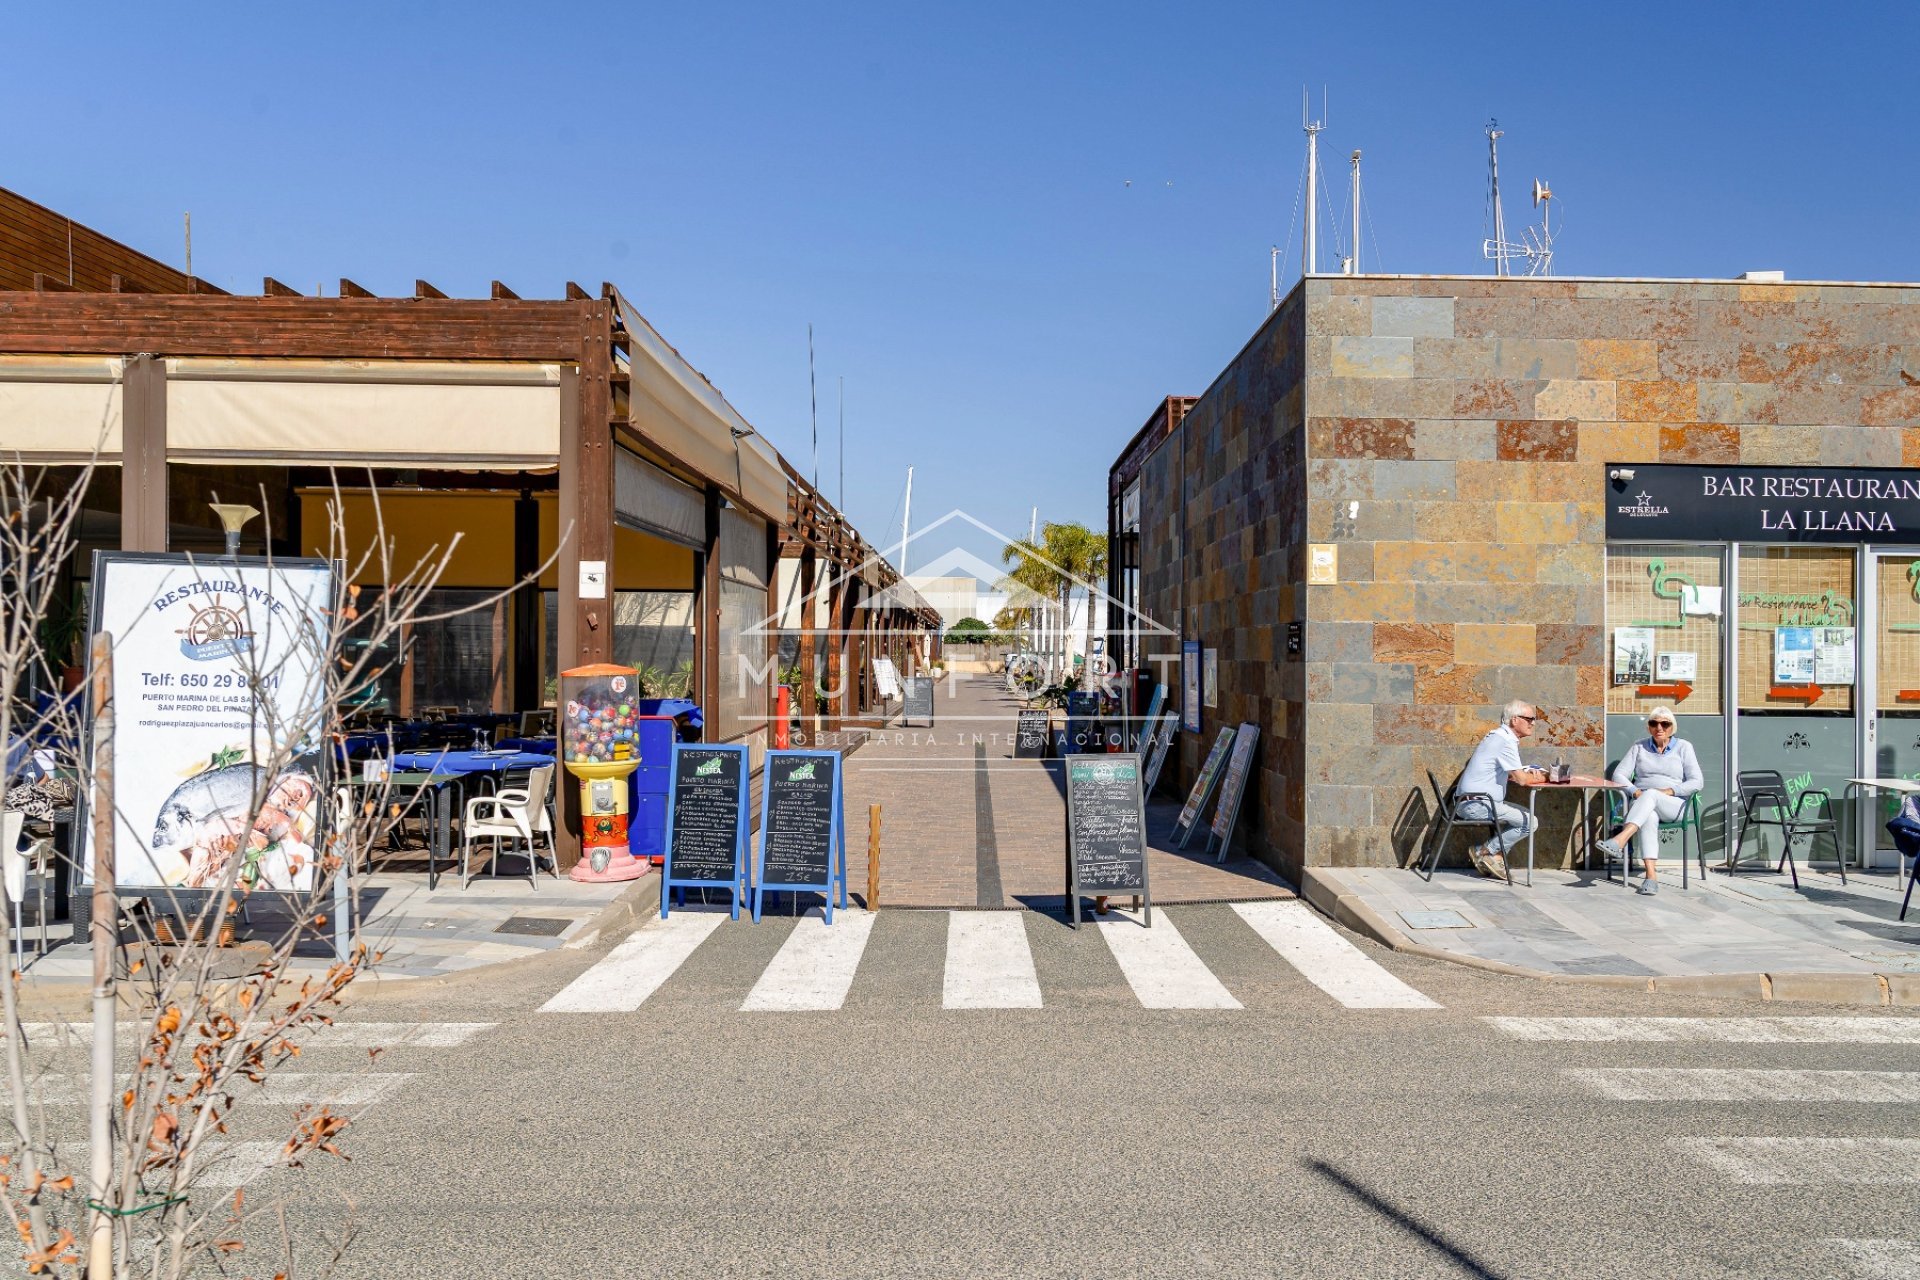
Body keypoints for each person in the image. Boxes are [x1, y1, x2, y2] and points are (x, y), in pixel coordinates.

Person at [1593, 706, 1701, 897]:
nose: (1659, 728)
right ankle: (1651, 877)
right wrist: (1634, 792)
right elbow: (1619, 775)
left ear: (1672, 727)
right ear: (1649, 726)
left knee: (1651, 794)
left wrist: (1669, 791)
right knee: (1649, 816)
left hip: (1673, 805)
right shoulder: (1639, 747)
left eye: (1665, 724)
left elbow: (1697, 782)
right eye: (1654, 723)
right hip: (1643, 804)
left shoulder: (1684, 747)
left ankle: (1621, 839)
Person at [1454, 700, 1548, 880]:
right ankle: (1485, 852)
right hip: (1477, 805)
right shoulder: (1505, 741)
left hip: (1471, 801)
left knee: (1525, 816)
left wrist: (1524, 774)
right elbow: (1521, 780)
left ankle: (1493, 856)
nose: (1533, 723)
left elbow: (1509, 772)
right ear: (1514, 720)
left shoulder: (1498, 736)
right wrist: (1547, 777)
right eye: (1529, 719)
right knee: (1530, 822)